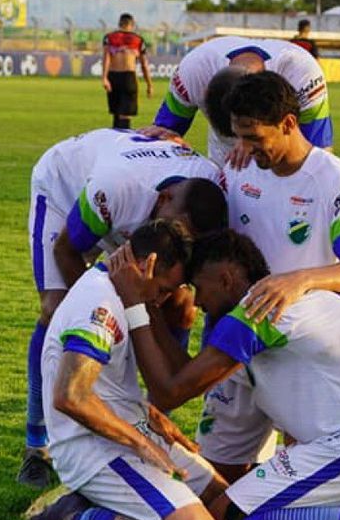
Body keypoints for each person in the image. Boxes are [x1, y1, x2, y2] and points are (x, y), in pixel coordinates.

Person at [102, 228, 340, 520]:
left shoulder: (259, 308)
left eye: (198, 287)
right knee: (234, 493)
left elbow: (169, 392)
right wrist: (150, 308)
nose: (198, 301)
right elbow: (185, 375)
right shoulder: (293, 298)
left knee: (229, 515)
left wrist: (136, 305)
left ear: (225, 278)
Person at [18, 129, 228, 489]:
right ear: (164, 199)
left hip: (136, 219)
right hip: (67, 192)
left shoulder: (212, 188)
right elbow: (68, 251)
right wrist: (110, 307)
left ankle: (152, 417)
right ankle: (37, 446)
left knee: (179, 306)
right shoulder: (117, 187)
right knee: (56, 309)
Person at [198, 70, 340, 485]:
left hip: (303, 352)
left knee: (301, 479)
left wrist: (299, 281)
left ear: (289, 124)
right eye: (238, 137)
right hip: (240, 345)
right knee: (213, 482)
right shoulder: (239, 168)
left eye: (254, 138)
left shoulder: (331, 177)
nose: (245, 148)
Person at [23, 221, 224, 520]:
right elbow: (70, 396)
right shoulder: (99, 304)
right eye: (163, 289)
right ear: (148, 264)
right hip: (92, 450)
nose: (161, 300)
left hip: (126, 430)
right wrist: (142, 444)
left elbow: (113, 385)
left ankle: (111, 501)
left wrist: (147, 417)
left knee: (222, 503)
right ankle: (71, 512)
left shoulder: (119, 293)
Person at [150, 36, 333, 166]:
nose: (244, 143)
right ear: (204, 93)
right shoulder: (194, 72)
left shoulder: (302, 75)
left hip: (282, 155)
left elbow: (320, 155)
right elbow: (165, 133)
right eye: (239, 135)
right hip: (225, 160)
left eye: (249, 133)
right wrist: (166, 145)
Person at [102, 14, 153, 129]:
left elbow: (106, 58)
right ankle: (123, 144)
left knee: (116, 115)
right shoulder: (138, 40)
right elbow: (144, 64)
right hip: (128, 77)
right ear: (132, 24)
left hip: (112, 76)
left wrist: (104, 78)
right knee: (125, 116)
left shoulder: (109, 38)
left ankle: (114, 144)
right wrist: (149, 84)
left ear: (120, 23)